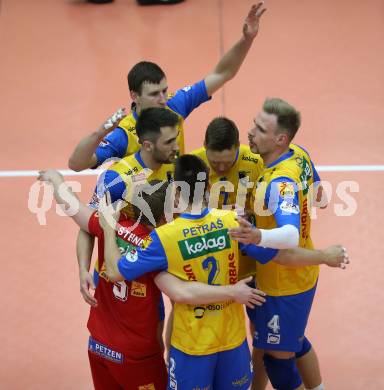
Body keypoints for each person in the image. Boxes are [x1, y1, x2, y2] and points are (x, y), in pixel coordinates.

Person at [98, 154, 349, 390]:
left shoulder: (162, 239)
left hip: (192, 345)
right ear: (208, 188)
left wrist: (109, 227)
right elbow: (280, 255)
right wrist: (324, 256)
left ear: (176, 191)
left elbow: (115, 271)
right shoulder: (234, 224)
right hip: (233, 341)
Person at [38, 169, 267, 390]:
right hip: (138, 354)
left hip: (98, 344)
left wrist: (55, 178)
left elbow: (73, 206)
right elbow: (181, 293)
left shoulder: (110, 222)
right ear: (163, 218)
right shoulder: (157, 249)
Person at [190, 116, 330, 390]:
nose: (219, 168)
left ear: (239, 148)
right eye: (214, 161)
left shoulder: (257, 163)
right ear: (204, 145)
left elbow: (298, 198)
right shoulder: (192, 166)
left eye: (226, 162)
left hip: (256, 265)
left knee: (264, 337)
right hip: (214, 267)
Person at [68, 2, 266, 171]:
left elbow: (222, 74)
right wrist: (100, 132)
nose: (163, 99)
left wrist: (247, 39)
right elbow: (76, 164)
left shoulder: (175, 104)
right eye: (154, 94)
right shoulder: (124, 134)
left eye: (164, 90)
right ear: (134, 96)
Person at [229, 98, 336, 390]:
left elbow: (288, 236)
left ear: (280, 139)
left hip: (283, 284)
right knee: (295, 342)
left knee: (278, 359)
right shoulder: (298, 154)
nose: (250, 132)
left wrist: (257, 235)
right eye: (254, 123)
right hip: (298, 274)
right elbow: (320, 197)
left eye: (261, 129)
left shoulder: (279, 183)